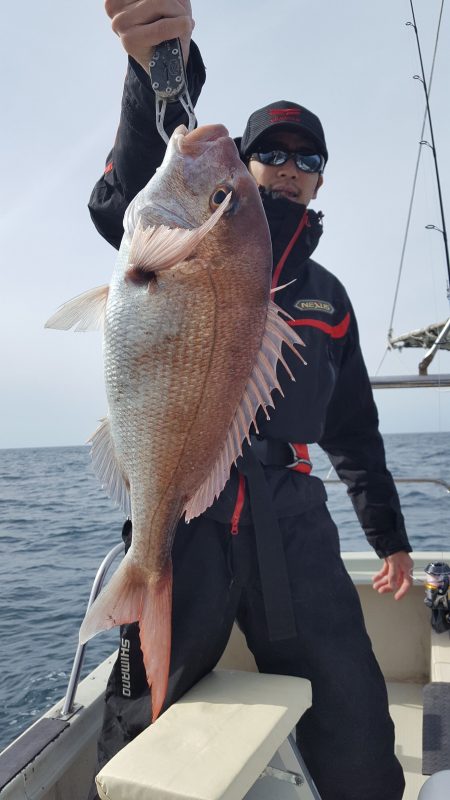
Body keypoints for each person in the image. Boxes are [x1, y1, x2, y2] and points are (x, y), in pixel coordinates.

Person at [87, 2, 414, 798]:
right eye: (269, 151)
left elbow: (355, 432)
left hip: (292, 514)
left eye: (308, 157)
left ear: (322, 178)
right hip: (187, 513)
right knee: (145, 711)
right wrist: (157, 66)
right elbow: (128, 196)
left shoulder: (329, 297)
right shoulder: (200, 229)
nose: (289, 166)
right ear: (248, 165)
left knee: (353, 712)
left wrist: (391, 538)